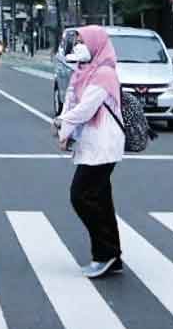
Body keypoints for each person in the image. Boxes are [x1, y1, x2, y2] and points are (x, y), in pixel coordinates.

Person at [53, 26, 125, 278]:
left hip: (104, 145)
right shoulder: (82, 71)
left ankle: (103, 253)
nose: (79, 45)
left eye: (83, 41)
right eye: (77, 41)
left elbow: (86, 108)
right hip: (90, 144)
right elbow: (70, 101)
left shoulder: (104, 74)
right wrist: (65, 131)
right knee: (102, 199)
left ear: (95, 43)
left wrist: (62, 124)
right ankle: (112, 256)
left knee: (81, 196)